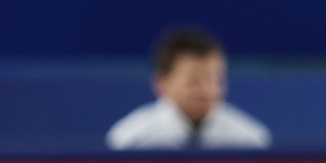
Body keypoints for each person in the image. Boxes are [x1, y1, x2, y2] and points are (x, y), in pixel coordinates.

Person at [106, 27, 271, 149]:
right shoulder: (130, 141)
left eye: (214, 79)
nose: (206, 90)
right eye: (194, 81)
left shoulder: (250, 141)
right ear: (161, 83)